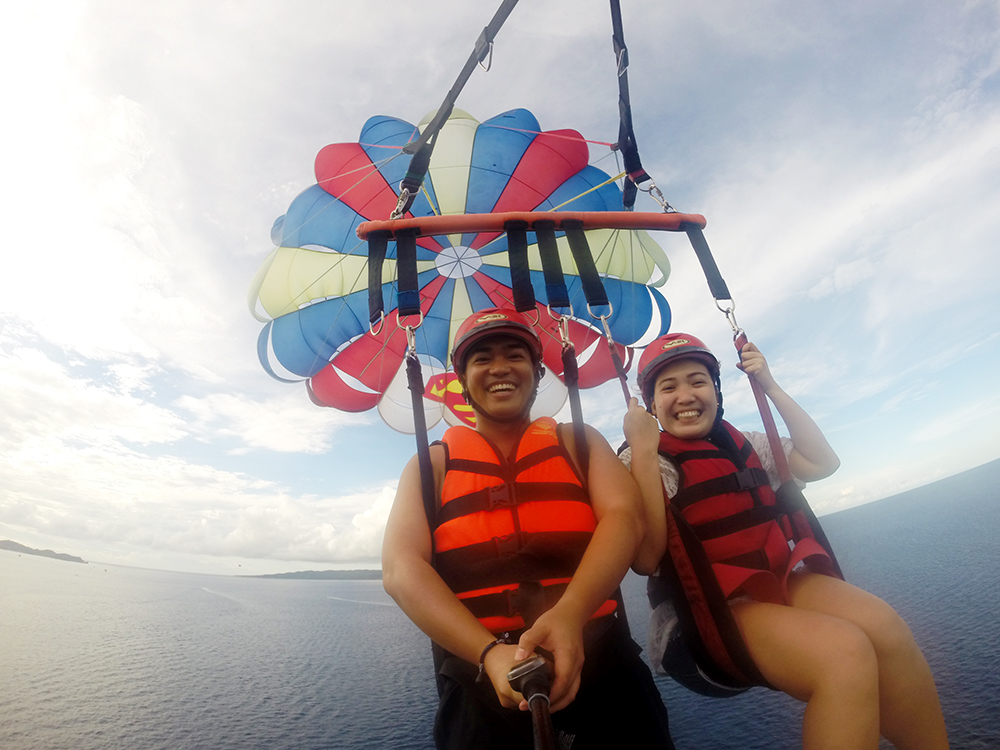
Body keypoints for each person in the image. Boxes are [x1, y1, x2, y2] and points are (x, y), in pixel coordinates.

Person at [622, 332, 949, 750]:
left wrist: (770, 387)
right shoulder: (643, 458)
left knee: (886, 628)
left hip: (777, 580)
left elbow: (821, 462)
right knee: (844, 655)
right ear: (651, 405)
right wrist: (644, 450)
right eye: (668, 387)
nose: (686, 394)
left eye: (698, 381)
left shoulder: (749, 445)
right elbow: (647, 558)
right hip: (705, 615)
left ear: (717, 393)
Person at [382, 307, 674, 750]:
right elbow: (401, 569)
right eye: (482, 359)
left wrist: (572, 614)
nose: (500, 367)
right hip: (480, 678)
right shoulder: (430, 467)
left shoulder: (578, 442)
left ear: (537, 373)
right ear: (462, 380)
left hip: (604, 665)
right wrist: (489, 655)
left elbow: (625, 518)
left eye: (515, 355)